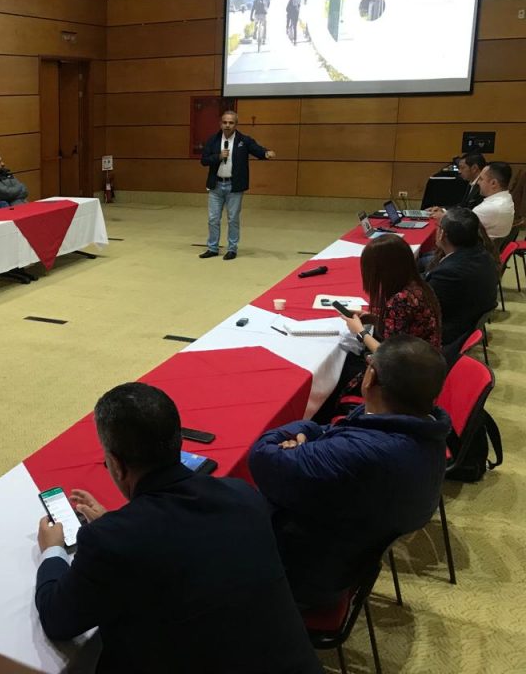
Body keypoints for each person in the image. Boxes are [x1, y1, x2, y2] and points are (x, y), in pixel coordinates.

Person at [35, 382, 322, 674]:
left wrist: (53, 550)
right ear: (179, 442)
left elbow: (57, 619)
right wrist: (116, 524)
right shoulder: (244, 496)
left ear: (117, 466)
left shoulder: (111, 541)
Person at [249, 335, 451, 610]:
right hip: (350, 550)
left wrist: (303, 430)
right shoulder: (426, 429)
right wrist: (311, 438)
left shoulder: (356, 453)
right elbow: (336, 430)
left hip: (303, 577)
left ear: (370, 377)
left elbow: (262, 457)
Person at [314, 233, 442, 421]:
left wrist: (360, 331)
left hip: (406, 376)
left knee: (339, 371)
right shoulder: (418, 286)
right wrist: (374, 318)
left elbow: (389, 356)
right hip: (422, 365)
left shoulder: (400, 300)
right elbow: (403, 329)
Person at [199, 111, 276, 260]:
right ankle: (212, 248)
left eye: (231, 123)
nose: (227, 125)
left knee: (233, 219)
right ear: (220, 124)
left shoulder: (243, 140)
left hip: (234, 186)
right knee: (213, 219)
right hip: (216, 186)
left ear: (236, 125)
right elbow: (204, 160)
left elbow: (257, 150)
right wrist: (218, 156)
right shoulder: (213, 140)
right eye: (225, 122)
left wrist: (266, 153)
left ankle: (232, 249)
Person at [425, 207, 498, 359]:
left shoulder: (448, 274)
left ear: (442, 234)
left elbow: (423, 308)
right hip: (465, 320)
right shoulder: (483, 254)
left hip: (448, 335)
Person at [429, 152, 486, 218]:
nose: (459, 171)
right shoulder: (471, 182)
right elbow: (462, 206)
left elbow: (472, 213)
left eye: (462, 168)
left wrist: (445, 215)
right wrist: (443, 210)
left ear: (474, 168)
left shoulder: (484, 186)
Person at [473, 161, 515, 241]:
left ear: (493, 183)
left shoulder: (489, 208)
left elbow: (457, 231)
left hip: (476, 247)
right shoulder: (507, 198)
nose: (478, 182)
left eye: (481, 179)